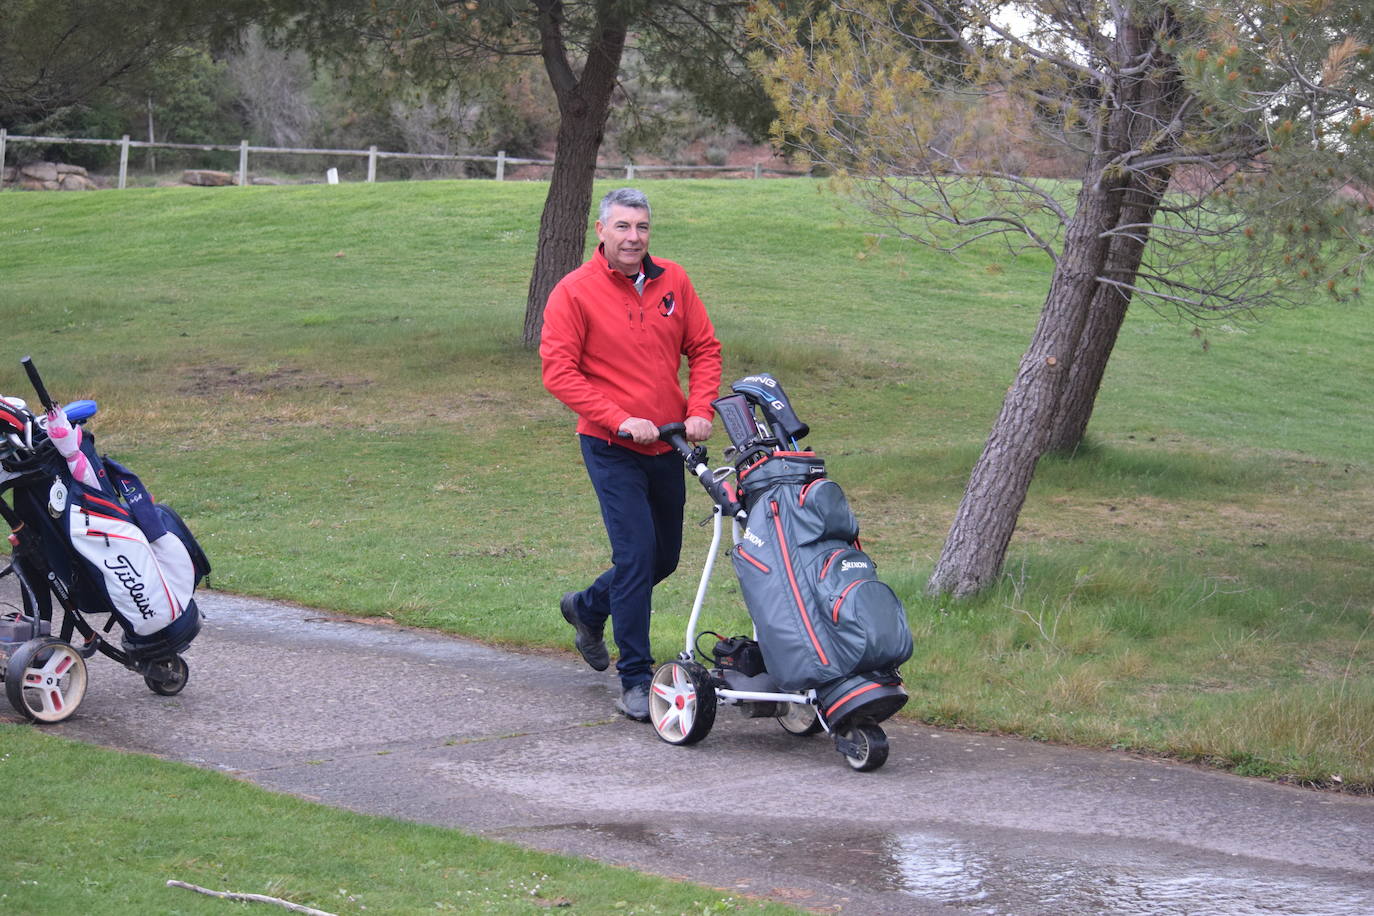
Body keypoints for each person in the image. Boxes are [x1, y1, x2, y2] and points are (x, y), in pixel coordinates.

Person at [540, 187, 722, 721]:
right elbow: (560, 373)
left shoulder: (675, 281)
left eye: (641, 227)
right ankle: (637, 678)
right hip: (610, 445)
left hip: (670, 442)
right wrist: (619, 418)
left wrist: (700, 406)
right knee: (637, 557)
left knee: (663, 557)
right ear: (601, 231)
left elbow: (704, 348)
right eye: (622, 227)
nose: (633, 237)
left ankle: (587, 607)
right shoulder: (573, 292)